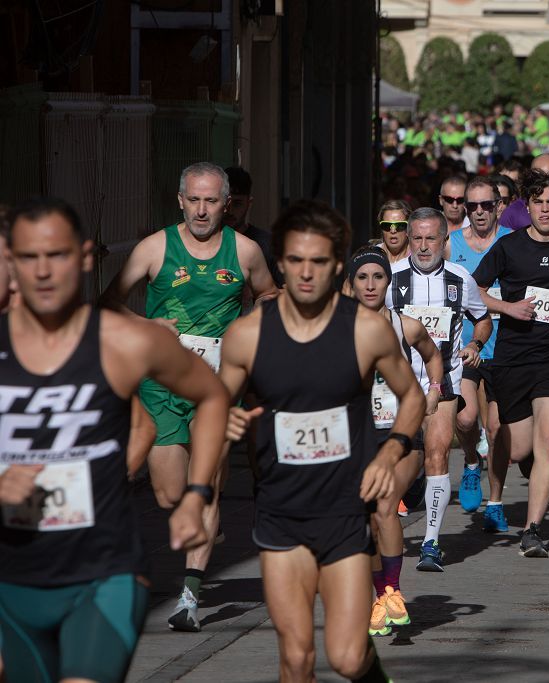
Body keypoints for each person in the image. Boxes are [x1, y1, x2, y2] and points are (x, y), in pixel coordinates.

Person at [0, 197, 228, 682]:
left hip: (104, 571)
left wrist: (197, 492)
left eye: (57, 255)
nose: (43, 271)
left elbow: (212, 396)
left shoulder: (125, 340)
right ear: (11, 261)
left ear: (85, 257)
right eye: (28, 257)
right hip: (14, 577)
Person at [219, 200, 422, 681]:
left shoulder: (366, 328)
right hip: (280, 512)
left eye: (318, 263)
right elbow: (213, 407)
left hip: (342, 511)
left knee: (349, 658)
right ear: (281, 266)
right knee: (296, 657)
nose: (306, 273)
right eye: (295, 261)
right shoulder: (247, 335)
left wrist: (391, 450)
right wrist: (223, 425)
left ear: (336, 267)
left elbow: (411, 395)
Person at [100, 161, 278, 631]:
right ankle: (202, 521)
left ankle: (188, 597)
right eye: (194, 200)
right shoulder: (154, 248)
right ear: (180, 201)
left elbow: (269, 295)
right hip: (160, 387)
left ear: (227, 205)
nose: (202, 210)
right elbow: (107, 305)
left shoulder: (245, 251)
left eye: (212, 201)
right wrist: (147, 326)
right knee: (170, 494)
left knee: (209, 483)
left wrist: (248, 328)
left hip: (218, 387)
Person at [474, 168, 549, 557]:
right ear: (526, 206)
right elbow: (473, 292)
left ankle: (532, 530)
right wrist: (507, 306)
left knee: (547, 443)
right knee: (518, 449)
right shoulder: (508, 247)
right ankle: (530, 475)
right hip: (513, 358)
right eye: (539, 202)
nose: (545, 210)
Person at [343, 247, 443, 638]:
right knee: (365, 519)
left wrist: (434, 390)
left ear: (389, 282)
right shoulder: (338, 329)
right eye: (362, 278)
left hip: (401, 433)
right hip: (358, 436)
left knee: (384, 505)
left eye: (378, 277)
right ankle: (379, 599)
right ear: (350, 285)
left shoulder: (406, 326)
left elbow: (434, 356)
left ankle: (393, 591)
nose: (371, 285)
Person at [387, 208, 492, 571]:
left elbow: (483, 319)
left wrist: (476, 345)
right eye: (417, 237)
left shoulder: (460, 279)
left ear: (445, 242)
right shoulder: (391, 277)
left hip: (443, 381)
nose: (423, 245)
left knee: (436, 452)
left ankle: (431, 541)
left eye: (431, 238)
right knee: (401, 462)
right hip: (397, 387)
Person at [446, 178, 512, 522]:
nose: (479, 212)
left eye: (487, 205)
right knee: (466, 417)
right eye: (472, 206)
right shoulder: (451, 243)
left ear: (498, 205)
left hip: (506, 347)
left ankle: (496, 502)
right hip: (465, 347)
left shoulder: (513, 241)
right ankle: (471, 459)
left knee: (499, 428)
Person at [224, 166, 283, 286]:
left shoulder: (268, 244)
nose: (230, 211)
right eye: (226, 203)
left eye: (237, 203)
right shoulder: (205, 243)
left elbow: (289, 293)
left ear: (248, 203)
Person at [378, 199, 413, 264]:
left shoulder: (418, 258)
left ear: (409, 227)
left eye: (400, 225)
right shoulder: (371, 257)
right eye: (386, 225)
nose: (393, 231)